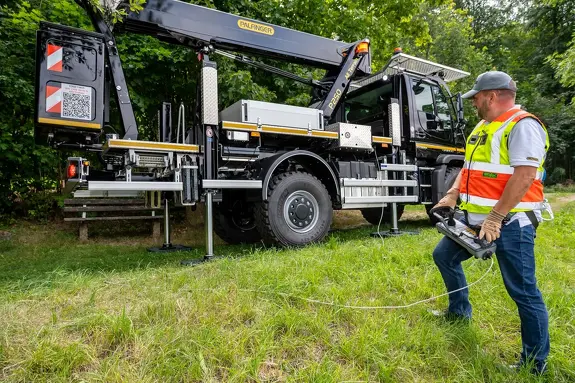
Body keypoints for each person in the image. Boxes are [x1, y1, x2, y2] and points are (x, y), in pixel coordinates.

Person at [430, 71, 550, 375]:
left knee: (523, 291)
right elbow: (469, 168)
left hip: (511, 223)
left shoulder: (523, 125)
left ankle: (534, 365)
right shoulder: (484, 126)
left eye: (476, 98)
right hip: (476, 220)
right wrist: (452, 195)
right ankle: (459, 314)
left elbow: (524, 176)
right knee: (443, 256)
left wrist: (497, 217)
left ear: (492, 96)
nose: (474, 104)